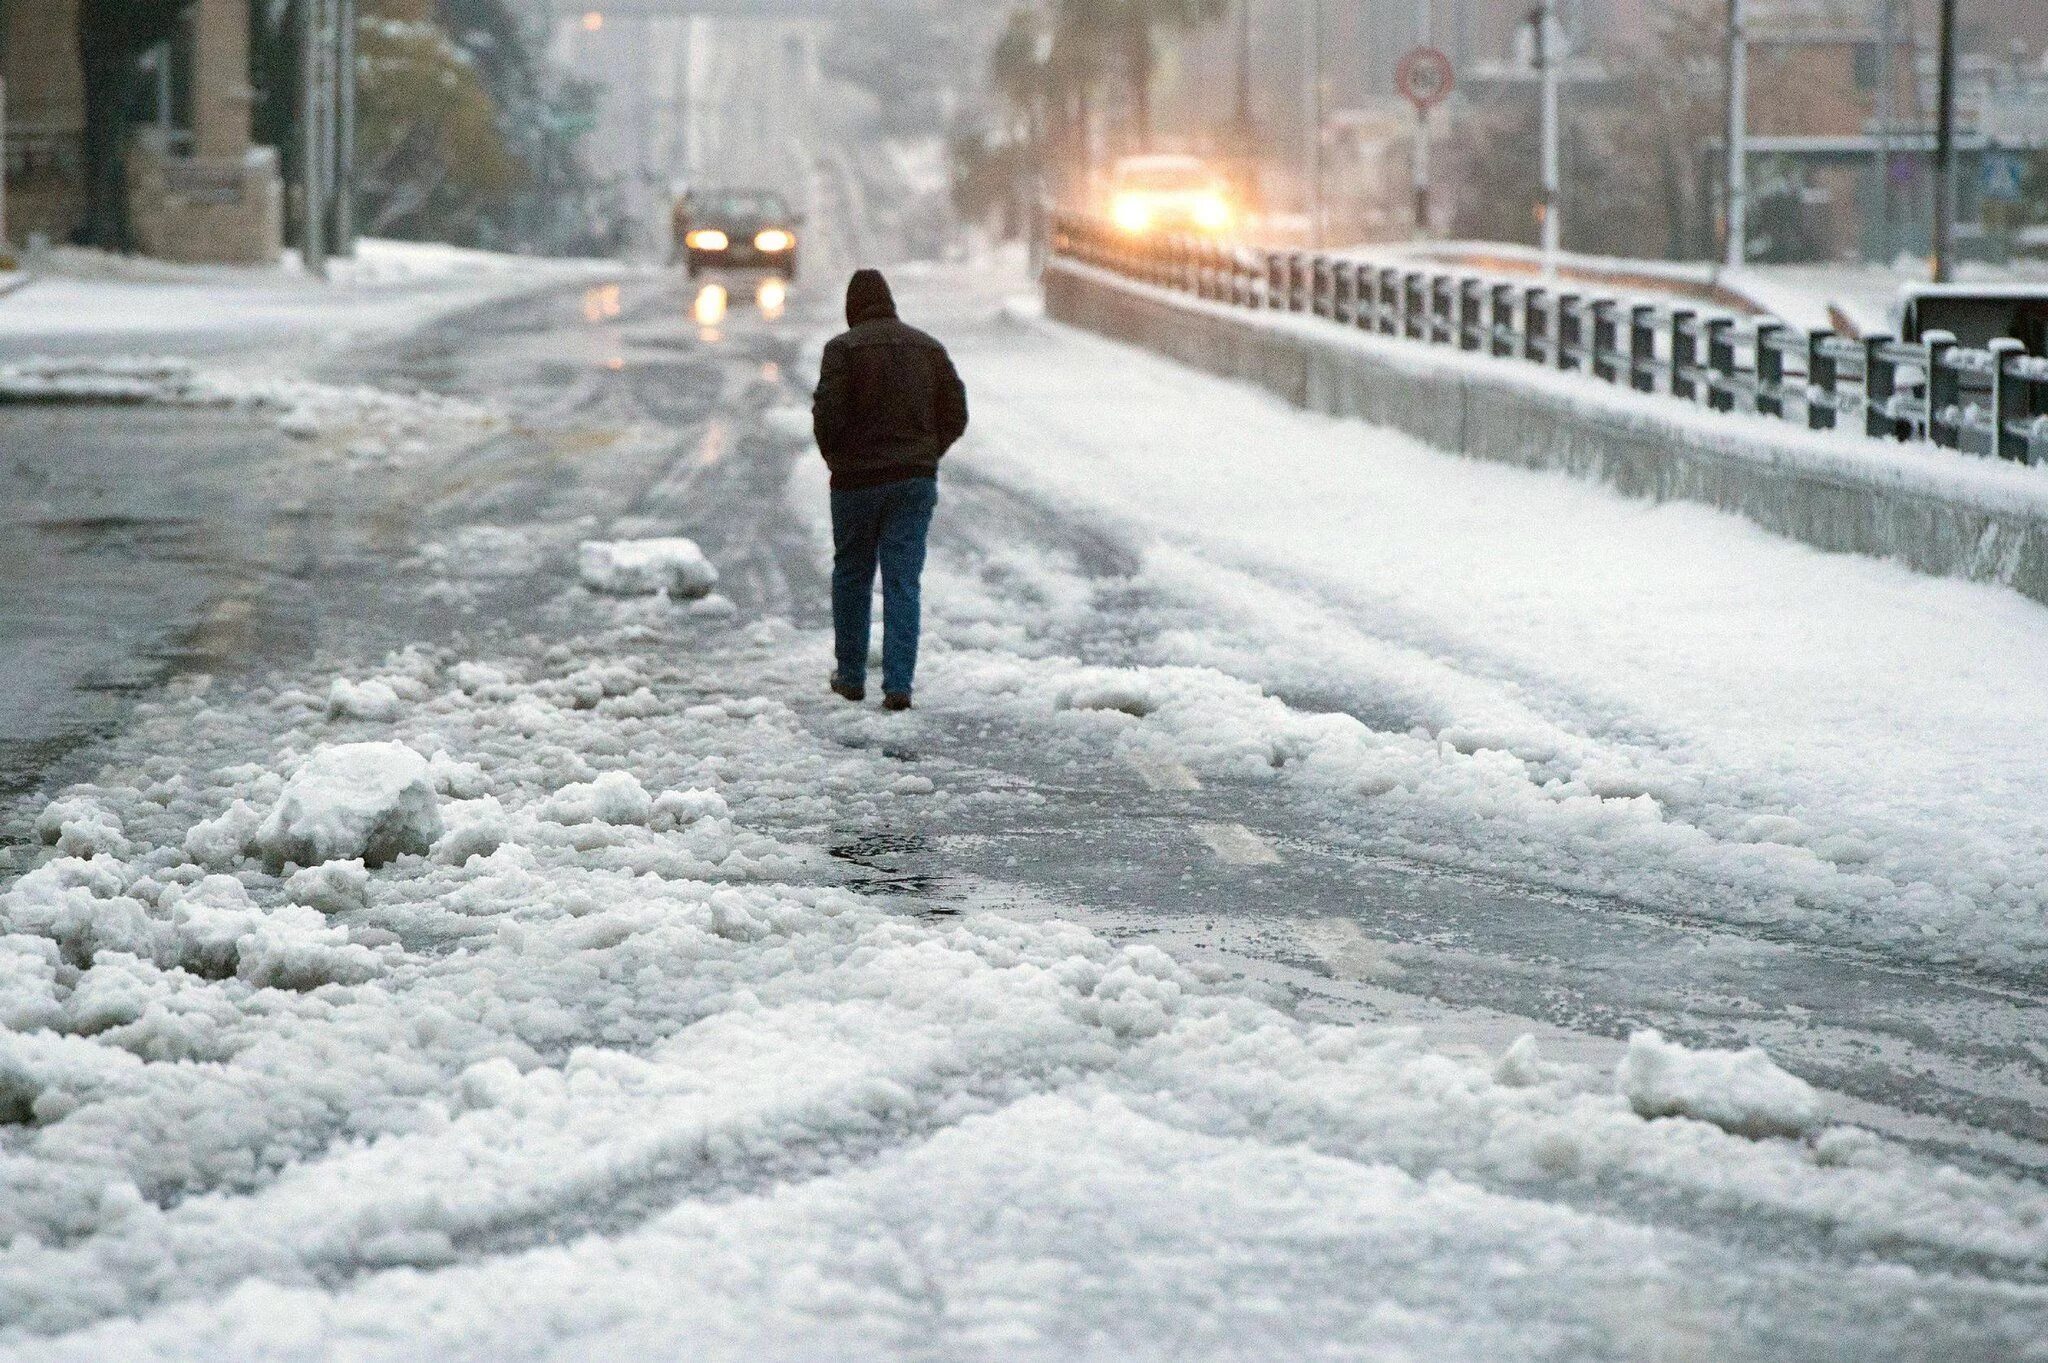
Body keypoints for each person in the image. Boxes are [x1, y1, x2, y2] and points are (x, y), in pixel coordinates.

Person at [811, 269, 968, 711]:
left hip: (856, 484)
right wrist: (928, 452)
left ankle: (850, 675)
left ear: (852, 308)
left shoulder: (842, 350)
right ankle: (899, 684)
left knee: (853, 576)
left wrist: (838, 459)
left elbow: (827, 415)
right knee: (902, 581)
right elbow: (956, 410)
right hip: (913, 482)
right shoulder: (929, 348)